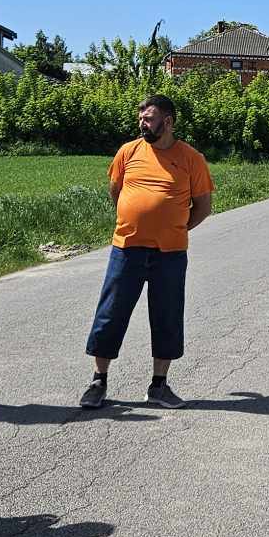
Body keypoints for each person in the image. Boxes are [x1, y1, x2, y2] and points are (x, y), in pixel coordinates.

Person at [79, 94, 214, 411]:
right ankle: (99, 380)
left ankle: (159, 385)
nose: (143, 122)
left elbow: (204, 207)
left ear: (168, 122)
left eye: (149, 118)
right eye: (141, 116)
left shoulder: (191, 158)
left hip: (170, 253)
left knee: (167, 315)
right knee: (111, 313)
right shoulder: (128, 151)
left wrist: (175, 227)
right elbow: (117, 192)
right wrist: (135, 220)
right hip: (127, 248)